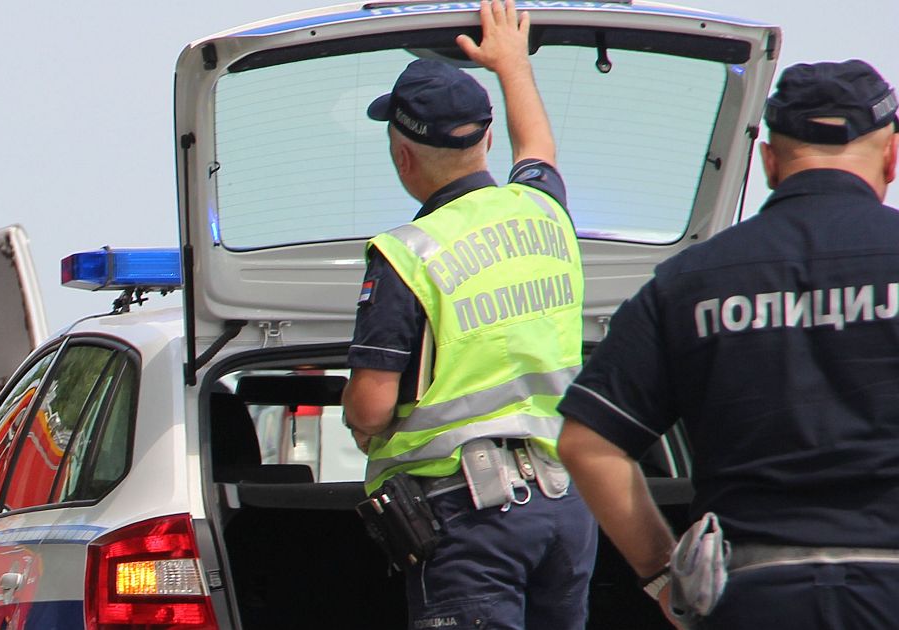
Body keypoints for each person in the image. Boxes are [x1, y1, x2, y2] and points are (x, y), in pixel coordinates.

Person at [556, 58, 899, 629]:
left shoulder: (689, 281)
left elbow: (588, 443)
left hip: (753, 598)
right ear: (891, 155)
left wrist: (665, 577)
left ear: (769, 161)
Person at [341, 1, 597, 628]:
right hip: (567, 509)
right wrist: (512, 62)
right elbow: (538, 144)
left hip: (471, 520)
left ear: (403, 157)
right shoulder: (544, 211)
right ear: (486, 139)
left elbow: (371, 408)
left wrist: (362, 427)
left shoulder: (407, 254)